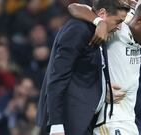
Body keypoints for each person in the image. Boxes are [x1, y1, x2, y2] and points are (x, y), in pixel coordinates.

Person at [68, 0, 141, 134]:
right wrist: (99, 22)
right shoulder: (119, 26)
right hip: (111, 121)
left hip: (132, 121)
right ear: (140, 19)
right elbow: (74, 7)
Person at [36, 0, 130, 135]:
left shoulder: (99, 32)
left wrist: (103, 92)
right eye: (118, 21)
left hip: (83, 122)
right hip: (67, 124)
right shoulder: (78, 30)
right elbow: (57, 79)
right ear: (102, 14)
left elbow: (83, 75)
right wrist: (56, 124)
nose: (119, 27)